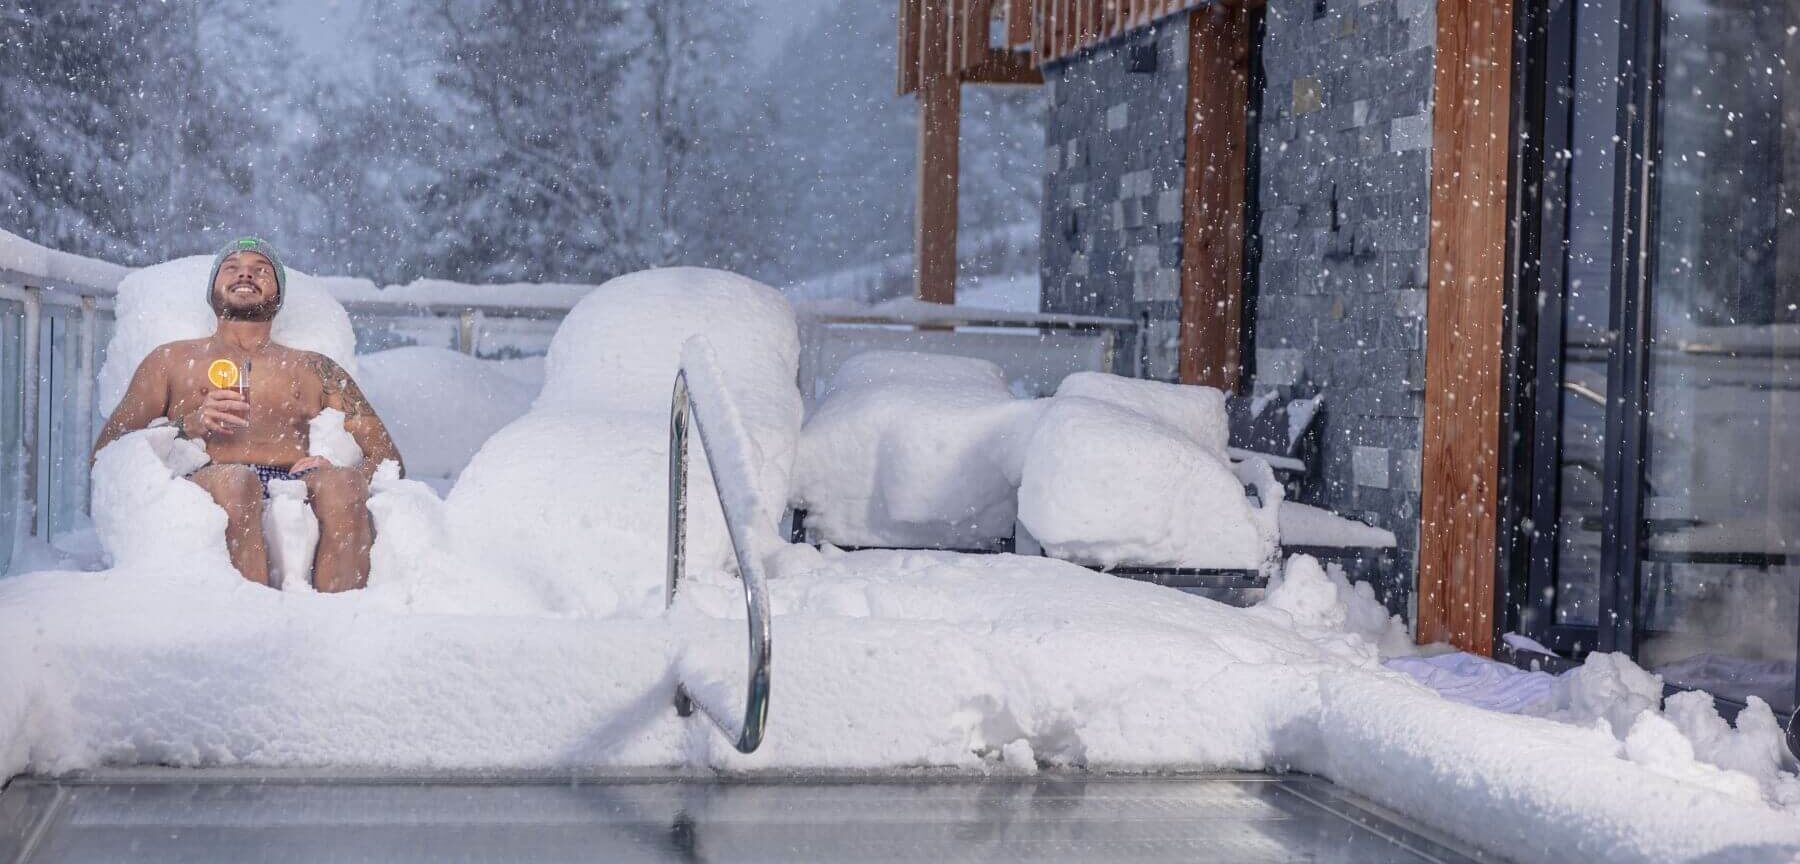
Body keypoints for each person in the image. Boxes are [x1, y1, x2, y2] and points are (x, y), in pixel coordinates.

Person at [93, 237, 403, 592]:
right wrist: (185, 427)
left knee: (345, 485)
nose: (246, 274)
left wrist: (339, 468)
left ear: (279, 294)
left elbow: (387, 458)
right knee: (237, 482)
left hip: (293, 481)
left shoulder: (316, 369)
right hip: (208, 477)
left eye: (261, 270)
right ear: (213, 290)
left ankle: (340, 628)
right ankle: (249, 627)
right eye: (232, 267)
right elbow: (108, 453)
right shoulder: (169, 361)